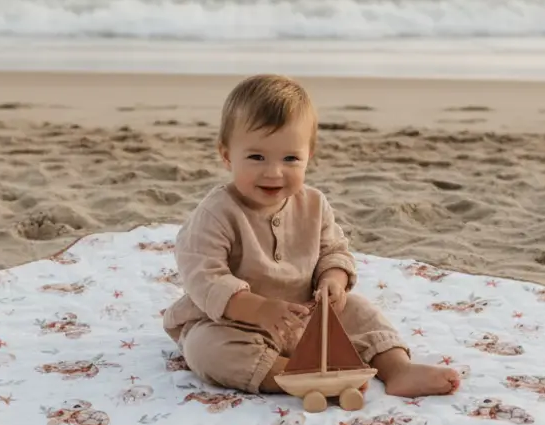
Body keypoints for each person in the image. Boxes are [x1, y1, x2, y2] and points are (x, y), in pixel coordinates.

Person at [162, 74, 460, 398]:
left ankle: (397, 369)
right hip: (234, 323)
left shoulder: (314, 204)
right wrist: (258, 309)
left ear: (309, 156)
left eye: (290, 158)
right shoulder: (216, 213)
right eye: (256, 157)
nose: (274, 172)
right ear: (227, 156)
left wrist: (333, 279)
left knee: (361, 312)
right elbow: (204, 277)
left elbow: (333, 249)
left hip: (307, 317)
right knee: (205, 349)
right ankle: (290, 375)